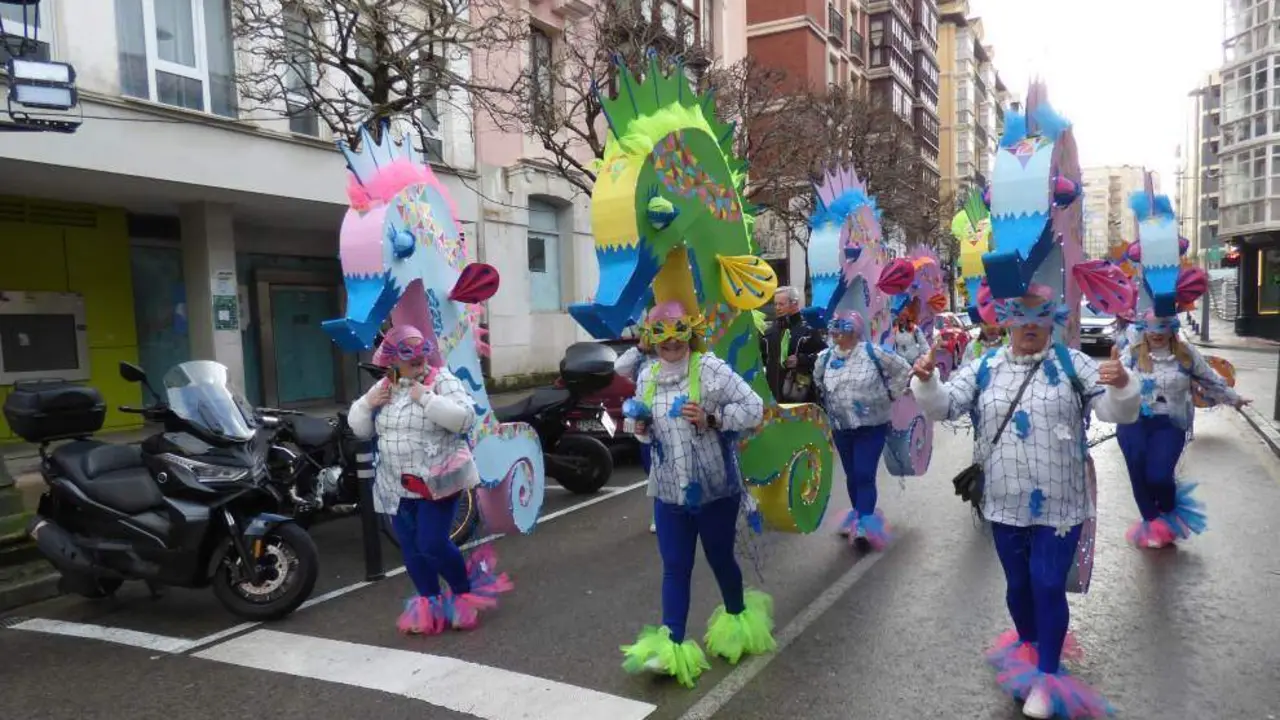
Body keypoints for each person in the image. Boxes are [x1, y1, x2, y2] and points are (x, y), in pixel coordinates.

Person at [910, 288, 1141, 719]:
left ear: (1052, 321)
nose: (1030, 325)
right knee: (1018, 587)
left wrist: (1123, 386)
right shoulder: (985, 367)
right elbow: (944, 405)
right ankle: (1033, 650)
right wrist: (926, 380)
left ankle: (1048, 675)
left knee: (1047, 583)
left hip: (1061, 503)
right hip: (1004, 503)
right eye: (1022, 317)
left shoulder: (1075, 364)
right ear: (1008, 322)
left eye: (1040, 317)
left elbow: (1116, 412)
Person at [620, 301, 772, 688]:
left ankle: (737, 617)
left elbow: (755, 408)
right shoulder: (648, 375)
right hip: (669, 492)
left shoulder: (710, 368)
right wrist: (639, 426)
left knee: (720, 559)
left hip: (715, 489)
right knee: (675, 566)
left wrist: (712, 418)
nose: (670, 342)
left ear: (690, 332)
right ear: (652, 339)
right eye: (662, 335)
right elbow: (644, 432)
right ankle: (671, 642)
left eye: (678, 333)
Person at [348, 325, 513, 635]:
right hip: (396, 484)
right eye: (410, 359)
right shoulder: (387, 385)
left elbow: (464, 419)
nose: (420, 363)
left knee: (432, 543)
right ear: (391, 362)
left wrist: (426, 398)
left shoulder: (442, 380)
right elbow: (361, 429)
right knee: (411, 548)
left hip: (439, 480)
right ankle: (430, 603)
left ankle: (463, 595)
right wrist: (368, 403)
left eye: (422, 356)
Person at [1115, 311, 1248, 548]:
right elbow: (1116, 381)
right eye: (1152, 327)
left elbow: (1210, 379)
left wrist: (1233, 399)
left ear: (1172, 328)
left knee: (1159, 476)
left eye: (1162, 326)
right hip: (1133, 422)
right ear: (1144, 328)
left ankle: (1167, 510)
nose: (1157, 333)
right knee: (1138, 473)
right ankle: (1153, 522)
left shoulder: (1186, 354)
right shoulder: (1133, 353)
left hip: (1170, 423)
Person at [813, 310, 912, 550]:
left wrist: (891, 394)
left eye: (842, 329)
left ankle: (864, 522)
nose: (837, 334)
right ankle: (859, 513)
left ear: (855, 331)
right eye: (834, 329)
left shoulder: (873, 353)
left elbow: (903, 369)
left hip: (872, 426)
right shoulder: (824, 357)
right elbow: (817, 381)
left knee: (864, 473)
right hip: (841, 427)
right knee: (852, 475)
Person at [616, 325, 658, 533]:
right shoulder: (640, 360)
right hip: (646, 428)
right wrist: (640, 348)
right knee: (651, 471)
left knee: (667, 472)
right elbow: (617, 368)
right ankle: (661, 510)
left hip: (670, 423)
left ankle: (662, 514)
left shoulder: (678, 357)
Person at [760, 286, 826, 403]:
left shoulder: (808, 330)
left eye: (781, 304)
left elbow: (824, 355)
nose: (777, 308)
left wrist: (801, 359)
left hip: (799, 395)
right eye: (775, 304)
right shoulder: (770, 331)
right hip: (773, 395)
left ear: (794, 304)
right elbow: (762, 359)